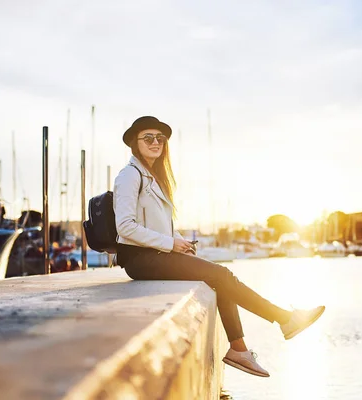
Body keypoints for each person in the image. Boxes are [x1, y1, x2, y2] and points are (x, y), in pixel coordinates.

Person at [114, 116, 325, 378]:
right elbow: (125, 227)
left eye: (160, 138)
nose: (155, 142)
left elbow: (160, 227)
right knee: (222, 275)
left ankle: (239, 349)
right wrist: (171, 243)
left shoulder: (153, 178)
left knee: (219, 276)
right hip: (141, 259)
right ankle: (284, 319)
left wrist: (180, 242)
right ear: (135, 143)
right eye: (148, 137)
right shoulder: (129, 176)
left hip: (157, 254)